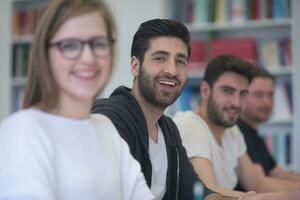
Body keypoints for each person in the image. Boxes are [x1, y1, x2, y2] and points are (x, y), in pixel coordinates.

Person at [0, 0, 154, 199]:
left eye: (98, 44)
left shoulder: (105, 127)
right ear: (45, 55)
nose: (88, 58)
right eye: (70, 45)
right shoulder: (22, 132)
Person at [92, 19, 239, 200]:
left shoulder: (168, 130)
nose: (172, 70)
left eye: (180, 61)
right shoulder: (110, 119)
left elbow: (196, 192)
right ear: (135, 66)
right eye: (160, 58)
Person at [173, 55, 300, 200]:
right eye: (227, 91)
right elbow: (209, 192)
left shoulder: (233, 132)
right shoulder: (190, 125)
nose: (237, 103)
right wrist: (285, 196)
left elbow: (258, 183)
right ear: (205, 91)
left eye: (243, 94)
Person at [237, 68, 300, 185]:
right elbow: (260, 184)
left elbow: (277, 173)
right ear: (241, 96)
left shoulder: (253, 134)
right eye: (258, 94)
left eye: (271, 95)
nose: (267, 103)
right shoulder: (238, 132)